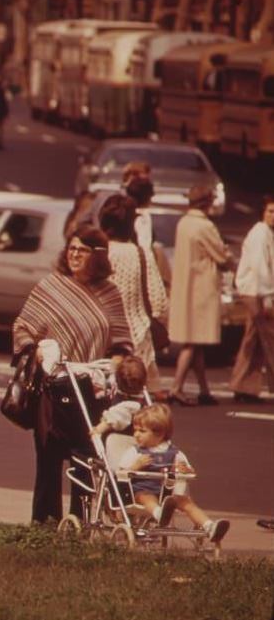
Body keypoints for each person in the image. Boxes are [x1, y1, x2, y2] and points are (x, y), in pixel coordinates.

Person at [13, 225, 132, 523]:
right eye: (72, 248)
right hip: (54, 386)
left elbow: (121, 340)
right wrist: (35, 349)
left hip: (92, 386)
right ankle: (44, 523)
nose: (75, 254)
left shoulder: (109, 292)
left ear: (98, 255)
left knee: (86, 455)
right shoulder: (50, 286)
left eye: (83, 250)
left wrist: (117, 362)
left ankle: (81, 521)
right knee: (48, 457)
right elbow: (23, 327)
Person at [117, 404, 230, 543]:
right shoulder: (135, 452)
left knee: (186, 502)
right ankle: (160, 514)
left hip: (166, 493)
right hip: (141, 490)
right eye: (135, 430)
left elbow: (189, 471)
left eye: (142, 431)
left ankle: (209, 526)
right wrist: (136, 466)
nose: (136, 435)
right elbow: (121, 473)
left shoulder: (174, 452)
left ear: (160, 433)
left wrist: (185, 470)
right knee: (146, 497)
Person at [99, 195, 168, 398]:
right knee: (138, 400)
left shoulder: (98, 252)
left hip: (102, 337)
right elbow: (159, 302)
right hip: (137, 337)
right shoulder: (141, 253)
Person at [167, 184, 230, 407]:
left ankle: (204, 389)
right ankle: (176, 387)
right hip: (202, 288)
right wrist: (228, 255)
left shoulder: (184, 223)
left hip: (186, 287)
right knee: (193, 342)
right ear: (207, 203)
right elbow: (222, 257)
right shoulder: (205, 226)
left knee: (196, 342)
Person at [229, 195, 274, 404]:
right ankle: (243, 386)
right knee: (267, 338)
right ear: (263, 213)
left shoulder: (268, 233)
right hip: (256, 292)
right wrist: (267, 297)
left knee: (253, 341)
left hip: (258, 291)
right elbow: (260, 268)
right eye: (270, 211)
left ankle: (244, 386)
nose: (273, 216)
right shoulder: (259, 234)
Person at [91, 355, 150, 438]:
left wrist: (98, 430)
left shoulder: (130, 405)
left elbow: (114, 419)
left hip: (120, 436)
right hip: (112, 411)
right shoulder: (129, 387)